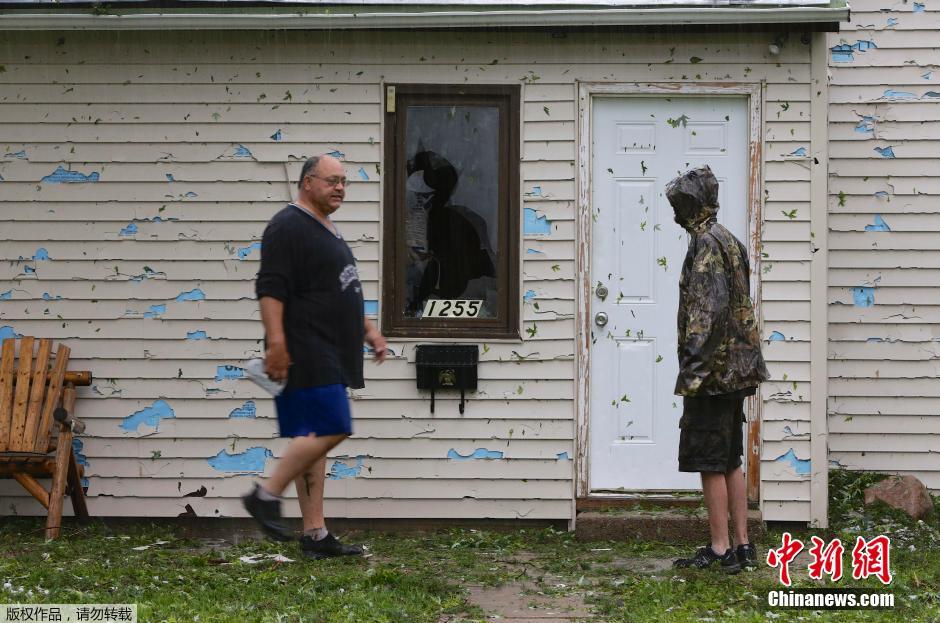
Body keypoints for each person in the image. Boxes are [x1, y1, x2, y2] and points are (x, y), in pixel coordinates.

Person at [242, 154, 388, 559]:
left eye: (344, 182)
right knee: (334, 425)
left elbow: (339, 288)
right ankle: (265, 496)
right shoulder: (288, 225)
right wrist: (276, 343)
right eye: (331, 180)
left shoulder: (326, 229)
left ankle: (315, 535)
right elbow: (270, 288)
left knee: (312, 439)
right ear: (307, 182)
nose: (340, 188)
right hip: (304, 346)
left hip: (328, 347)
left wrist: (369, 330)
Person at [666, 166, 769, 574]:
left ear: (690, 206)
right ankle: (743, 545)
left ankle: (721, 547)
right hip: (737, 370)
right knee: (730, 458)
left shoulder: (706, 243)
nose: (675, 214)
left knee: (710, 460)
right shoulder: (728, 238)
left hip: (714, 374)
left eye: (678, 205)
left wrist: (693, 373)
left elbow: (707, 315)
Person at [404, 150, 497, 316]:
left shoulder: (461, 220)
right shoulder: (469, 218)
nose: (419, 199)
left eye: (423, 195)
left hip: (458, 295)